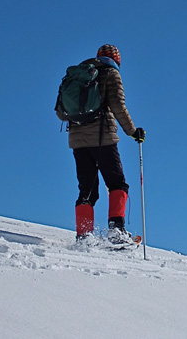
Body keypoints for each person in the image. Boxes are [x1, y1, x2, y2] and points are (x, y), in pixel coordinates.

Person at [56, 44, 145, 244]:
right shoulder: (111, 74)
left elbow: (61, 113)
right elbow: (118, 106)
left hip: (77, 140)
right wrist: (133, 132)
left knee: (87, 189)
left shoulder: (79, 74)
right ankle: (116, 230)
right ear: (116, 60)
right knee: (117, 183)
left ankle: (84, 236)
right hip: (103, 137)